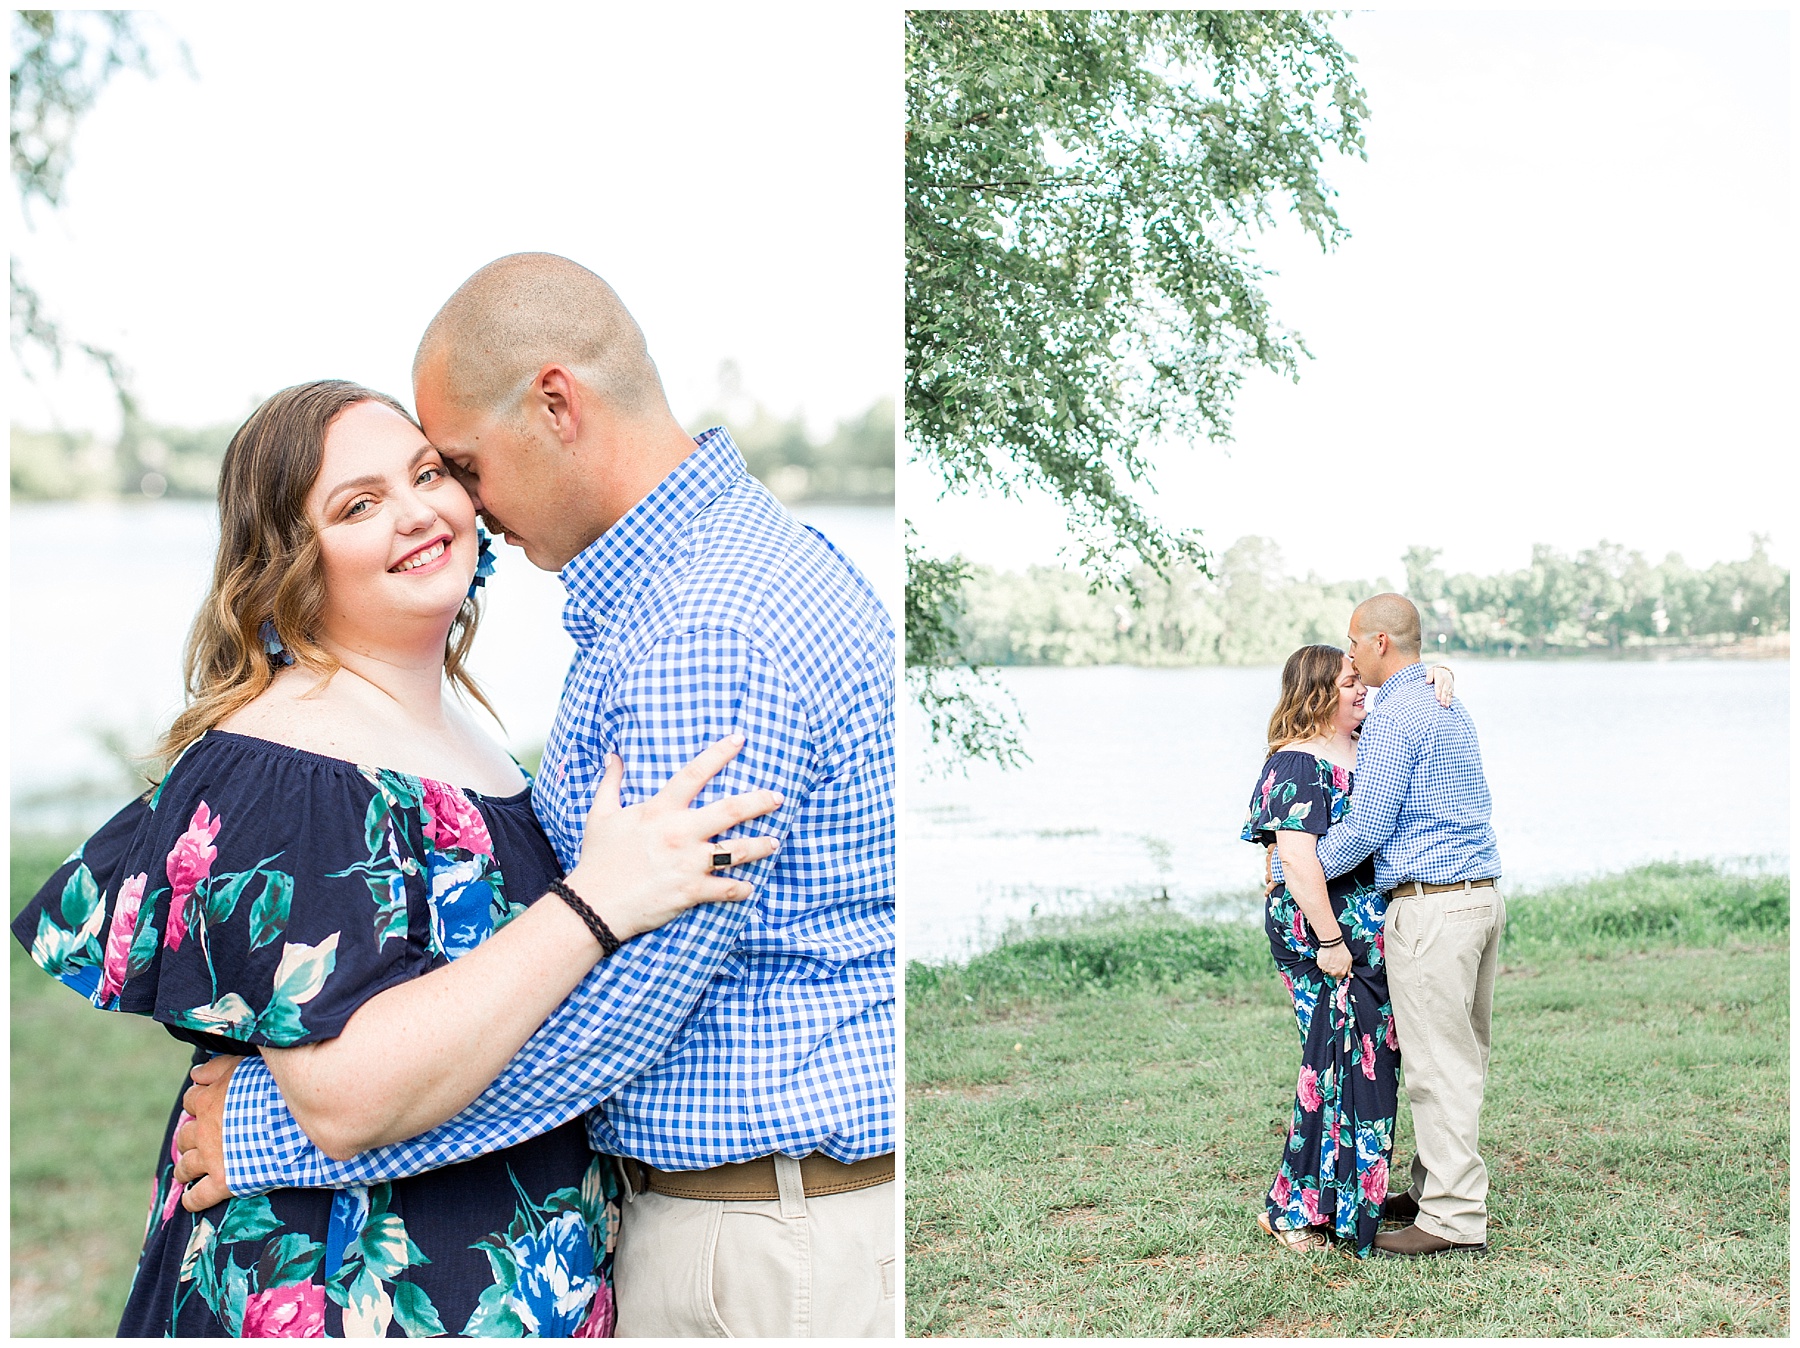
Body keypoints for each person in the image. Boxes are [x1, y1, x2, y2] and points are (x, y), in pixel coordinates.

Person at [172, 254, 898, 1337]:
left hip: (757, 1244)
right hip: (749, 1230)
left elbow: (615, 1021)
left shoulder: (705, 625)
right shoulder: (705, 584)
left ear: (556, 404)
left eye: (453, 464)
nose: (458, 504)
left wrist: (271, 1135)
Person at [11, 380, 783, 1336]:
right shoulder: (288, 764)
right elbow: (344, 1097)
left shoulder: (470, 740)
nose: (418, 512)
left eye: (429, 474)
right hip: (347, 1289)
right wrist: (595, 902)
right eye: (358, 504)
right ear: (289, 564)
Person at [1314, 592, 1503, 1258]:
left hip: (1432, 908)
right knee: (1457, 1054)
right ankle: (1434, 1189)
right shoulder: (1448, 702)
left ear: (1381, 644)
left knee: (1437, 1065)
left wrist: (1302, 868)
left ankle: (1451, 1222)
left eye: (1354, 644)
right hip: (1479, 900)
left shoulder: (1397, 715)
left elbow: (1367, 826)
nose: (1350, 658)